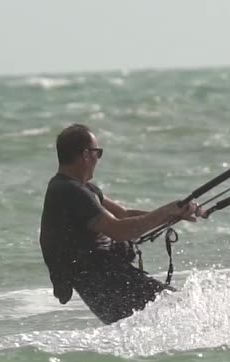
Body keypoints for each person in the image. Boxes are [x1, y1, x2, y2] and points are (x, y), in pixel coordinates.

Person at [39, 123, 201, 324]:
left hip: (107, 284)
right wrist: (166, 211)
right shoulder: (70, 191)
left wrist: (177, 213)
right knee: (186, 306)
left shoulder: (80, 188)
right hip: (106, 285)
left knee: (178, 311)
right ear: (86, 154)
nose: (98, 159)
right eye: (97, 152)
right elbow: (119, 230)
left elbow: (124, 215)